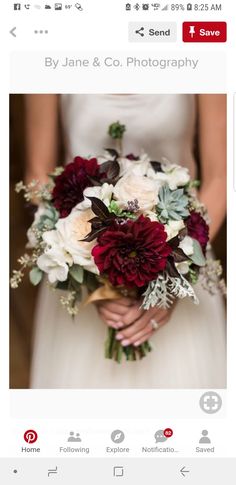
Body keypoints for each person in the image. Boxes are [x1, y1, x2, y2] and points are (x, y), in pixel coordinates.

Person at [24, 94, 226, 388]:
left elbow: (219, 177)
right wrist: (88, 275)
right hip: (80, 268)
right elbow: (37, 175)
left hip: (183, 259)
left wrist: (173, 275)